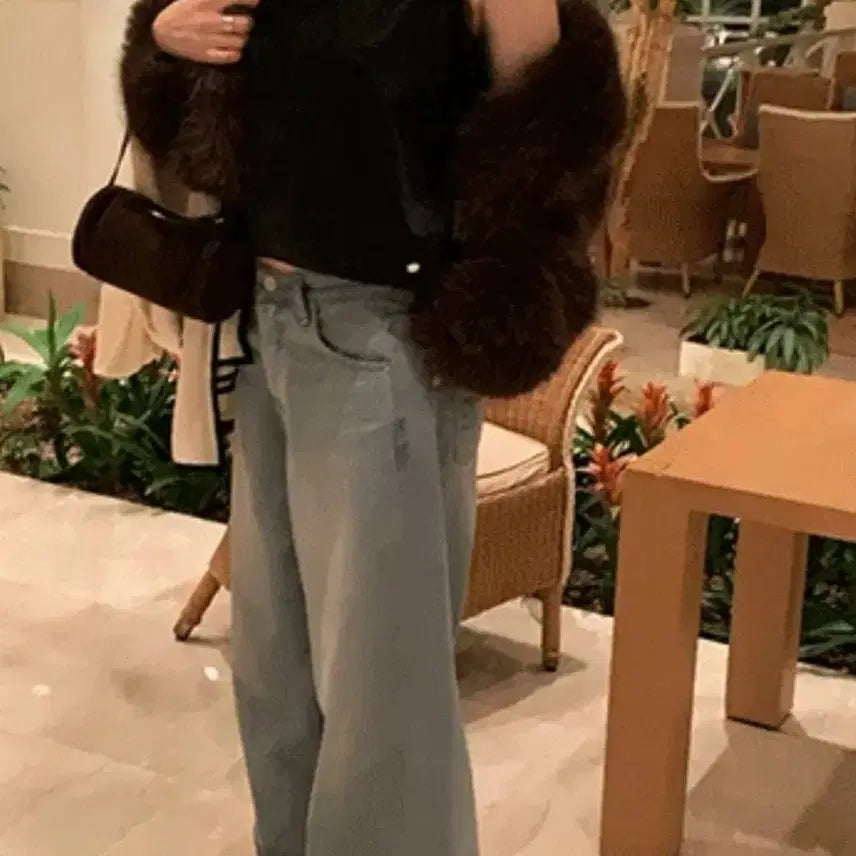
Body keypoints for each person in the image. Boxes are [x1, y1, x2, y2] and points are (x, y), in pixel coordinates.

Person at [119, 1, 625, 854]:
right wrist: (166, 40)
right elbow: (216, 123)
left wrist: (493, 310)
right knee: (274, 676)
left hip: (384, 332)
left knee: (380, 697)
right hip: (269, 322)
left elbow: (557, 140)